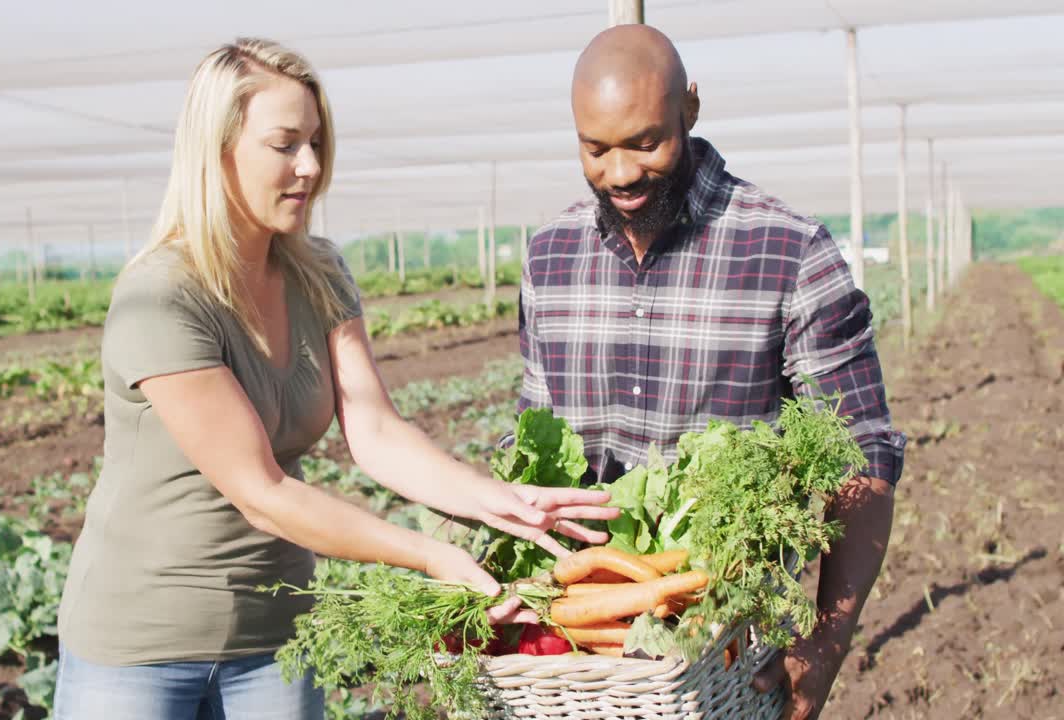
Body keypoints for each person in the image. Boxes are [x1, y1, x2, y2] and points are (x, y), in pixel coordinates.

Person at [52, 37, 618, 720]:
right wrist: (427, 553)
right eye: (285, 144)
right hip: (139, 644)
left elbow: (374, 431)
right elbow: (260, 492)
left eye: (316, 143)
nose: (311, 167)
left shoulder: (317, 273)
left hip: (276, 640)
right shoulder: (162, 297)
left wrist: (496, 503)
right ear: (216, 148)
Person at [515, 25, 905, 720]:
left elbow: (862, 457)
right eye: (595, 149)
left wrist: (826, 644)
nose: (621, 174)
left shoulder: (789, 250)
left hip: (730, 648)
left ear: (689, 110)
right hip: (584, 652)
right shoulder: (550, 259)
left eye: (646, 143)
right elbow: (534, 457)